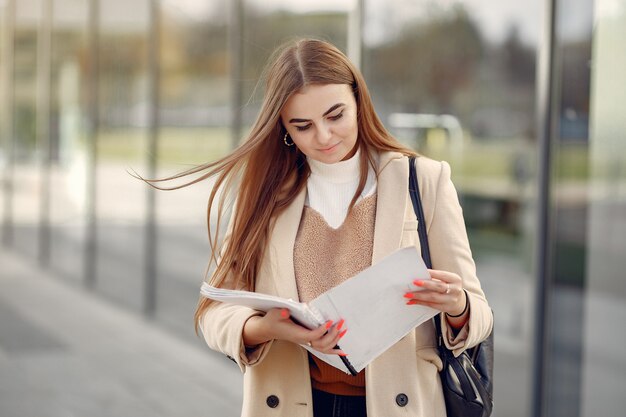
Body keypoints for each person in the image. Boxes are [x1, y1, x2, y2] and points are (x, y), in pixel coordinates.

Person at [153, 38, 492, 417]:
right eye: (303, 126)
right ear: (283, 128)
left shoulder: (424, 180)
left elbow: (478, 312)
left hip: (400, 405)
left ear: (359, 102)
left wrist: (457, 306)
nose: (324, 137)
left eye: (336, 116)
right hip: (292, 403)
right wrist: (266, 328)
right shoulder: (265, 194)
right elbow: (214, 311)